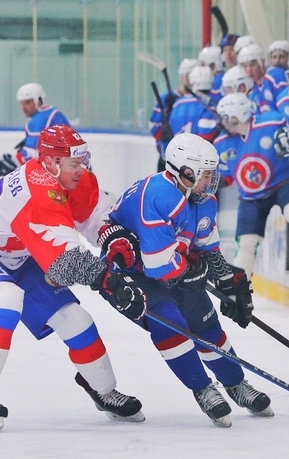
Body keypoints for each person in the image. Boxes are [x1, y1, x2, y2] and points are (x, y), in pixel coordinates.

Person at [0, 124, 148, 432]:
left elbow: (95, 214)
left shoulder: (68, 176)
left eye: (82, 161)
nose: (81, 170)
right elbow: (66, 262)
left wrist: (112, 237)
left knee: (75, 318)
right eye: (75, 163)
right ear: (51, 162)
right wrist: (110, 281)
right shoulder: (39, 192)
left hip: (22, 257)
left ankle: (104, 391)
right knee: (6, 297)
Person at [101, 133, 273, 428]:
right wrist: (196, 270)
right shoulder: (157, 196)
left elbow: (207, 249)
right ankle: (202, 388)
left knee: (204, 320)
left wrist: (227, 280)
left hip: (171, 266)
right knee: (170, 322)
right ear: (185, 172)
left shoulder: (203, 200)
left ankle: (235, 383)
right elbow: (159, 267)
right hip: (129, 275)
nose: (211, 181)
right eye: (205, 175)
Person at [214, 92, 289, 278]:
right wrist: (207, 185)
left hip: (282, 183)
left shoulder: (272, 123)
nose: (223, 122)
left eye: (226, 117)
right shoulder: (221, 143)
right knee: (246, 243)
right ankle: (240, 290)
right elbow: (227, 177)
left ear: (238, 114)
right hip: (250, 196)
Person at [0, 83, 70, 177]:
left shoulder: (40, 119)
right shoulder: (53, 112)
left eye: (27, 103)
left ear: (39, 101)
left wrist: (13, 162)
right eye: (22, 103)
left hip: (64, 174)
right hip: (72, 170)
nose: (23, 108)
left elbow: (32, 153)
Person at [149, 58, 199, 172]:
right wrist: (166, 133)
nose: (191, 80)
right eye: (188, 76)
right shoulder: (166, 98)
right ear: (181, 77)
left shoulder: (200, 100)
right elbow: (153, 126)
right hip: (168, 158)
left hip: (194, 159)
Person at [168, 65, 220, 142]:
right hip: (198, 148)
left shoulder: (177, 104)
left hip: (179, 147)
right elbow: (206, 136)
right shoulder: (208, 104)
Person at [238, 44, 288, 115]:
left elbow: (287, 108)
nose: (249, 70)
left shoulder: (276, 76)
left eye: (252, 65)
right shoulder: (253, 92)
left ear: (262, 62)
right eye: (245, 66)